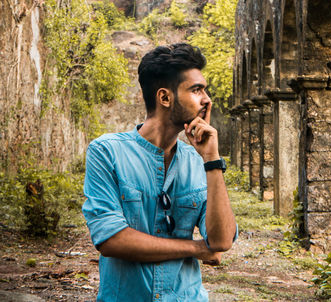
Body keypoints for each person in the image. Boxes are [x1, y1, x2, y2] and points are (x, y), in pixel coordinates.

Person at [82, 43, 237, 301]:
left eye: (204, 90)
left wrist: (211, 158)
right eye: (196, 90)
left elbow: (221, 242)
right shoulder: (107, 152)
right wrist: (198, 248)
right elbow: (111, 240)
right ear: (165, 98)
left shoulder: (198, 160)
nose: (207, 99)